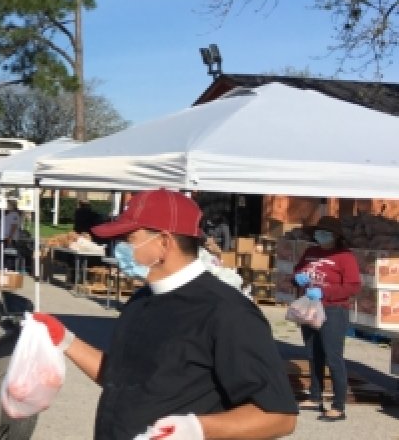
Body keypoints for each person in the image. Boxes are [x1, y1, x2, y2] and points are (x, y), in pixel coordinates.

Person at [33, 188, 297, 439]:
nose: (119, 248)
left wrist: (197, 429)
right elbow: (120, 380)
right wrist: (65, 340)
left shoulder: (228, 312)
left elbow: (278, 416)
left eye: (129, 239)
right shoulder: (142, 300)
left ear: (163, 242)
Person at [292, 216, 361, 422]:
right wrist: (297, 277)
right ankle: (315, 396)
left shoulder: (344, 256)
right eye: (318, 232)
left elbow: (353, 286)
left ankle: (338, 406)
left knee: (333, 356)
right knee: (313, 353)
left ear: (335, 236)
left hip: (333, 310)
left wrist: (326, 292)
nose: (320, 236)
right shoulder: (310, 252)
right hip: (310, 307)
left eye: (326, 233)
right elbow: (298, 270)